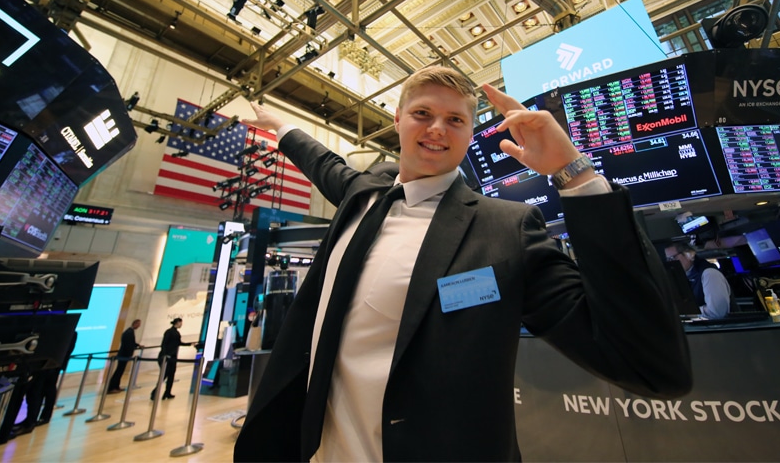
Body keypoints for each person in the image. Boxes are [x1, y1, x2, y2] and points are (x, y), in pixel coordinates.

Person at [234, 66, 692, 462]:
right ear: (397, 120)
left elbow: (649, 364)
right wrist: (282, 127)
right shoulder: (365, 195)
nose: (437, 128)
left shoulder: (504, 229)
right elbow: (322, 162)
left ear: (471, 135)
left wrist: (574, 172)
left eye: (455, 120)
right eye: (422, 114)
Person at [665, 242, 732, 319]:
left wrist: (688, 312)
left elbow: (717, 312)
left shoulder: (709, 274)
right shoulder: (684, 277)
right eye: (668, 259)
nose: (671, 263)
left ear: (688, 255)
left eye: (673, 258)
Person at [151, 318, 190, 400]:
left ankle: (168, 392)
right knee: (164, 375)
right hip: (167, 357)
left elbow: (179, 343)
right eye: (180, 323)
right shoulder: (169, 332)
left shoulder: (176, 332)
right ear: (177, 322)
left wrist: (189, 344)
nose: (181, 324)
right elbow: (164, 344)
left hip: (172, 358)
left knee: (171, 375)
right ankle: (155, 393)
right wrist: (165, 355)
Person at [107, 319, 141, 393]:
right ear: (135, 324)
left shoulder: (129, 331)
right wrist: (129, 354)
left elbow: (131, 342)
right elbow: (128, 344)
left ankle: (116, 386)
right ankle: (111, 387)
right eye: (138, 324)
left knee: (120, 371)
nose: (139, 326)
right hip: (124, 355)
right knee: (119, 371)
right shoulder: (129, 332)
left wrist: (138, 345)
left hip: (124, 355)